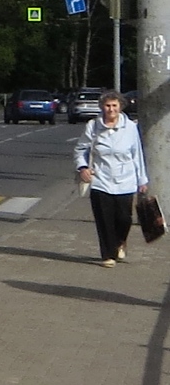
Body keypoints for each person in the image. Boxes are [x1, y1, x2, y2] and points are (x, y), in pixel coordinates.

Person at [74, 90, 148, 267]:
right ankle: (108, 255)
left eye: (114, 105)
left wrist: (142, 180)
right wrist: (82, 168)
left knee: (124, 219)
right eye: (107, 106)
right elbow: (80, 149)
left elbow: (137, 154)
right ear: (102, 107)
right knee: (104, 219)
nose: (111, 109)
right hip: (101, 179)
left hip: (126, 180)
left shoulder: (130, 127)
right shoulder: (93, 126)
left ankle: (121, 241)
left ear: (120, 107)